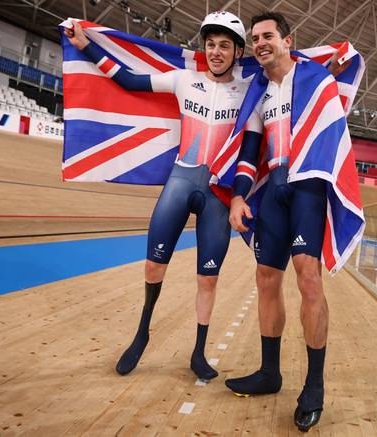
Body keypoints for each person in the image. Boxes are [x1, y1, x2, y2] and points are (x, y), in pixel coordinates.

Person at [64, 11, 259, 380]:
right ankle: (141, 334)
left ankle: (198, 353)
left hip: (218, 192)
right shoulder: (183, 79)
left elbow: (251, 150)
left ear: (237, 51)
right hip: (181, 182)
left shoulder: (249, 94)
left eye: (224, 46)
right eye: (211, 45)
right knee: (154, 265)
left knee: (208, 278)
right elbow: (129, 80)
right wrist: (86, 46)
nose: (216, 52)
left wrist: (240, 194)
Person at [224, 11, 356, 432]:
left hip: (306, 187)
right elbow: (249, 152)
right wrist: (239, 197)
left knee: (308, 278)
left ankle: (314, 386)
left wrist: (332, 66)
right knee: (266, 277)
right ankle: (269, 373)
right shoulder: (259, 92)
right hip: (275, 187)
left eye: (267, 36)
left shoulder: (315, 78)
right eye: (254, 37)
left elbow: (348, 64)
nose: (260, 42)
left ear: (287, 40)